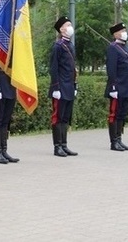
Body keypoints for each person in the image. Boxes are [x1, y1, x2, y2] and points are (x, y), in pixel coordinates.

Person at [48, 16, 78, 157]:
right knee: (58, 117)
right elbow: (54, 68)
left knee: (66, 118)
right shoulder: (58, 46)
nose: (70, 27)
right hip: (60, 87)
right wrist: (55, 88)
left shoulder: (70, 45)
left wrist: (75, 85)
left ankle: (64, 145)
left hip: (69, 87)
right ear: (61, 29)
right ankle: (57, 146)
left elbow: (72, 68)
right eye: (67, 25)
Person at [105, 22, 128, 151]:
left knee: (121, 114)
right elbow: (111, 70)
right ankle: (114, 142)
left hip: (126, 87)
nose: (124, 32)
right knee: (114, 114)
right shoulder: (113, 47)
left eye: (125, 30)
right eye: (122, 30)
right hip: (117, 87)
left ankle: (119, 139)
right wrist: (113, 87)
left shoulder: (124, 48)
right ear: (115, 34)